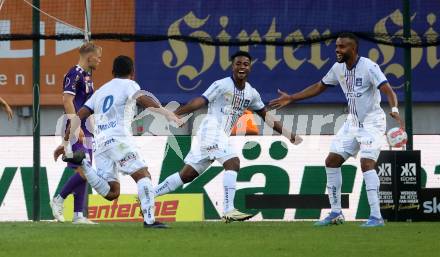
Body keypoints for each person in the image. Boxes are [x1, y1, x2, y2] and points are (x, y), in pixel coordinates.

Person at [269, 32, 402, 227]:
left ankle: (376, 217)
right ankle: (336, 213)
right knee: (331, 161)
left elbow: (388, 90)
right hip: (352, 122)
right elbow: (319, 86)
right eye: (337, 46)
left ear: (353, 49)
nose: (337, 50)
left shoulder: (369, 67)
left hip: (372, 123)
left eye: (342, 47)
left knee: (367, 164)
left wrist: (395, 110)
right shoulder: (338, 68)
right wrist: (293, 97)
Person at [154, 51, 302, 223]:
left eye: (245, 64)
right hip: (211, 130)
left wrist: (288, 134)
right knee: (233, 162)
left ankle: (148, 195)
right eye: (238, 64)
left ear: (250, 67)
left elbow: (265, 116)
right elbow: (201, 101)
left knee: (186, 175)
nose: (242, 67)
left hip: (217, 136)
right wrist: (176, 113)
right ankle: (228, 209)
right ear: (232, 67)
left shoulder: (251, 93)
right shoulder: (221, 85)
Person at [56, 55, 181, 228]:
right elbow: (142, 99)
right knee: (142, 175)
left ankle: (83, 163)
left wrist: (66, 141)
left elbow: (80, 115)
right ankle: (150, 220)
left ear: (113, 72)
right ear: (132, 72)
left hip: (100, 144)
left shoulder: (100, 92)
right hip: (119, 139)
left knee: (111, 192)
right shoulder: (130, 84)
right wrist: (165, 112)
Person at [50, 42, 102, 224]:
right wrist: (76, 125)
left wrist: (94, 129)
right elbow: (67, 101)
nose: (100, 60)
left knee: (85, 169)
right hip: (77, 128)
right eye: (98, 57)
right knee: (84, 171)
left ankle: (78, 215)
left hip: (87, 129)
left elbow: (88, 106)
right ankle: (59, 198)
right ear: (90, 57)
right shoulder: (74, 73)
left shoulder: (88, 76)